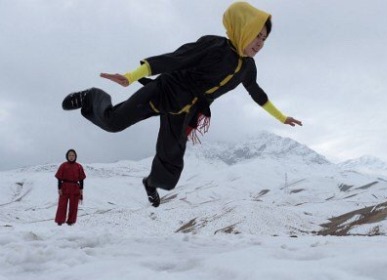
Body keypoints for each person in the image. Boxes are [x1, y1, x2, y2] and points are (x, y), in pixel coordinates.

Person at [61, 1, 302, 208]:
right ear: (243, 28)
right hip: (164, 92)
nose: (260, 43)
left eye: (264, 38)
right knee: (113, 122)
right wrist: (132, 76)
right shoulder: (213, 46)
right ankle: (91, 97)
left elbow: (256, 92)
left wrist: (282, 117)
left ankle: (151, 183)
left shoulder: (249, 68)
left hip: (186, 110)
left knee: (171, 165)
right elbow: (174, 60)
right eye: (256, 35)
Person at [54, 149, 86, 225]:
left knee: (74, 205)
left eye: (73, 155)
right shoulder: (63, 165)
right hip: (65, 186)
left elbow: (81, 179)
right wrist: (59, 188)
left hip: (75, 187)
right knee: (62, 205)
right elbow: (59, 177)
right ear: (67, 156)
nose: (71, 157)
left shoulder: (78, 166)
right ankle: (60, 220)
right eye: (70, 155)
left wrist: (81, 189)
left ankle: (71, 221)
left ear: (75, 157)